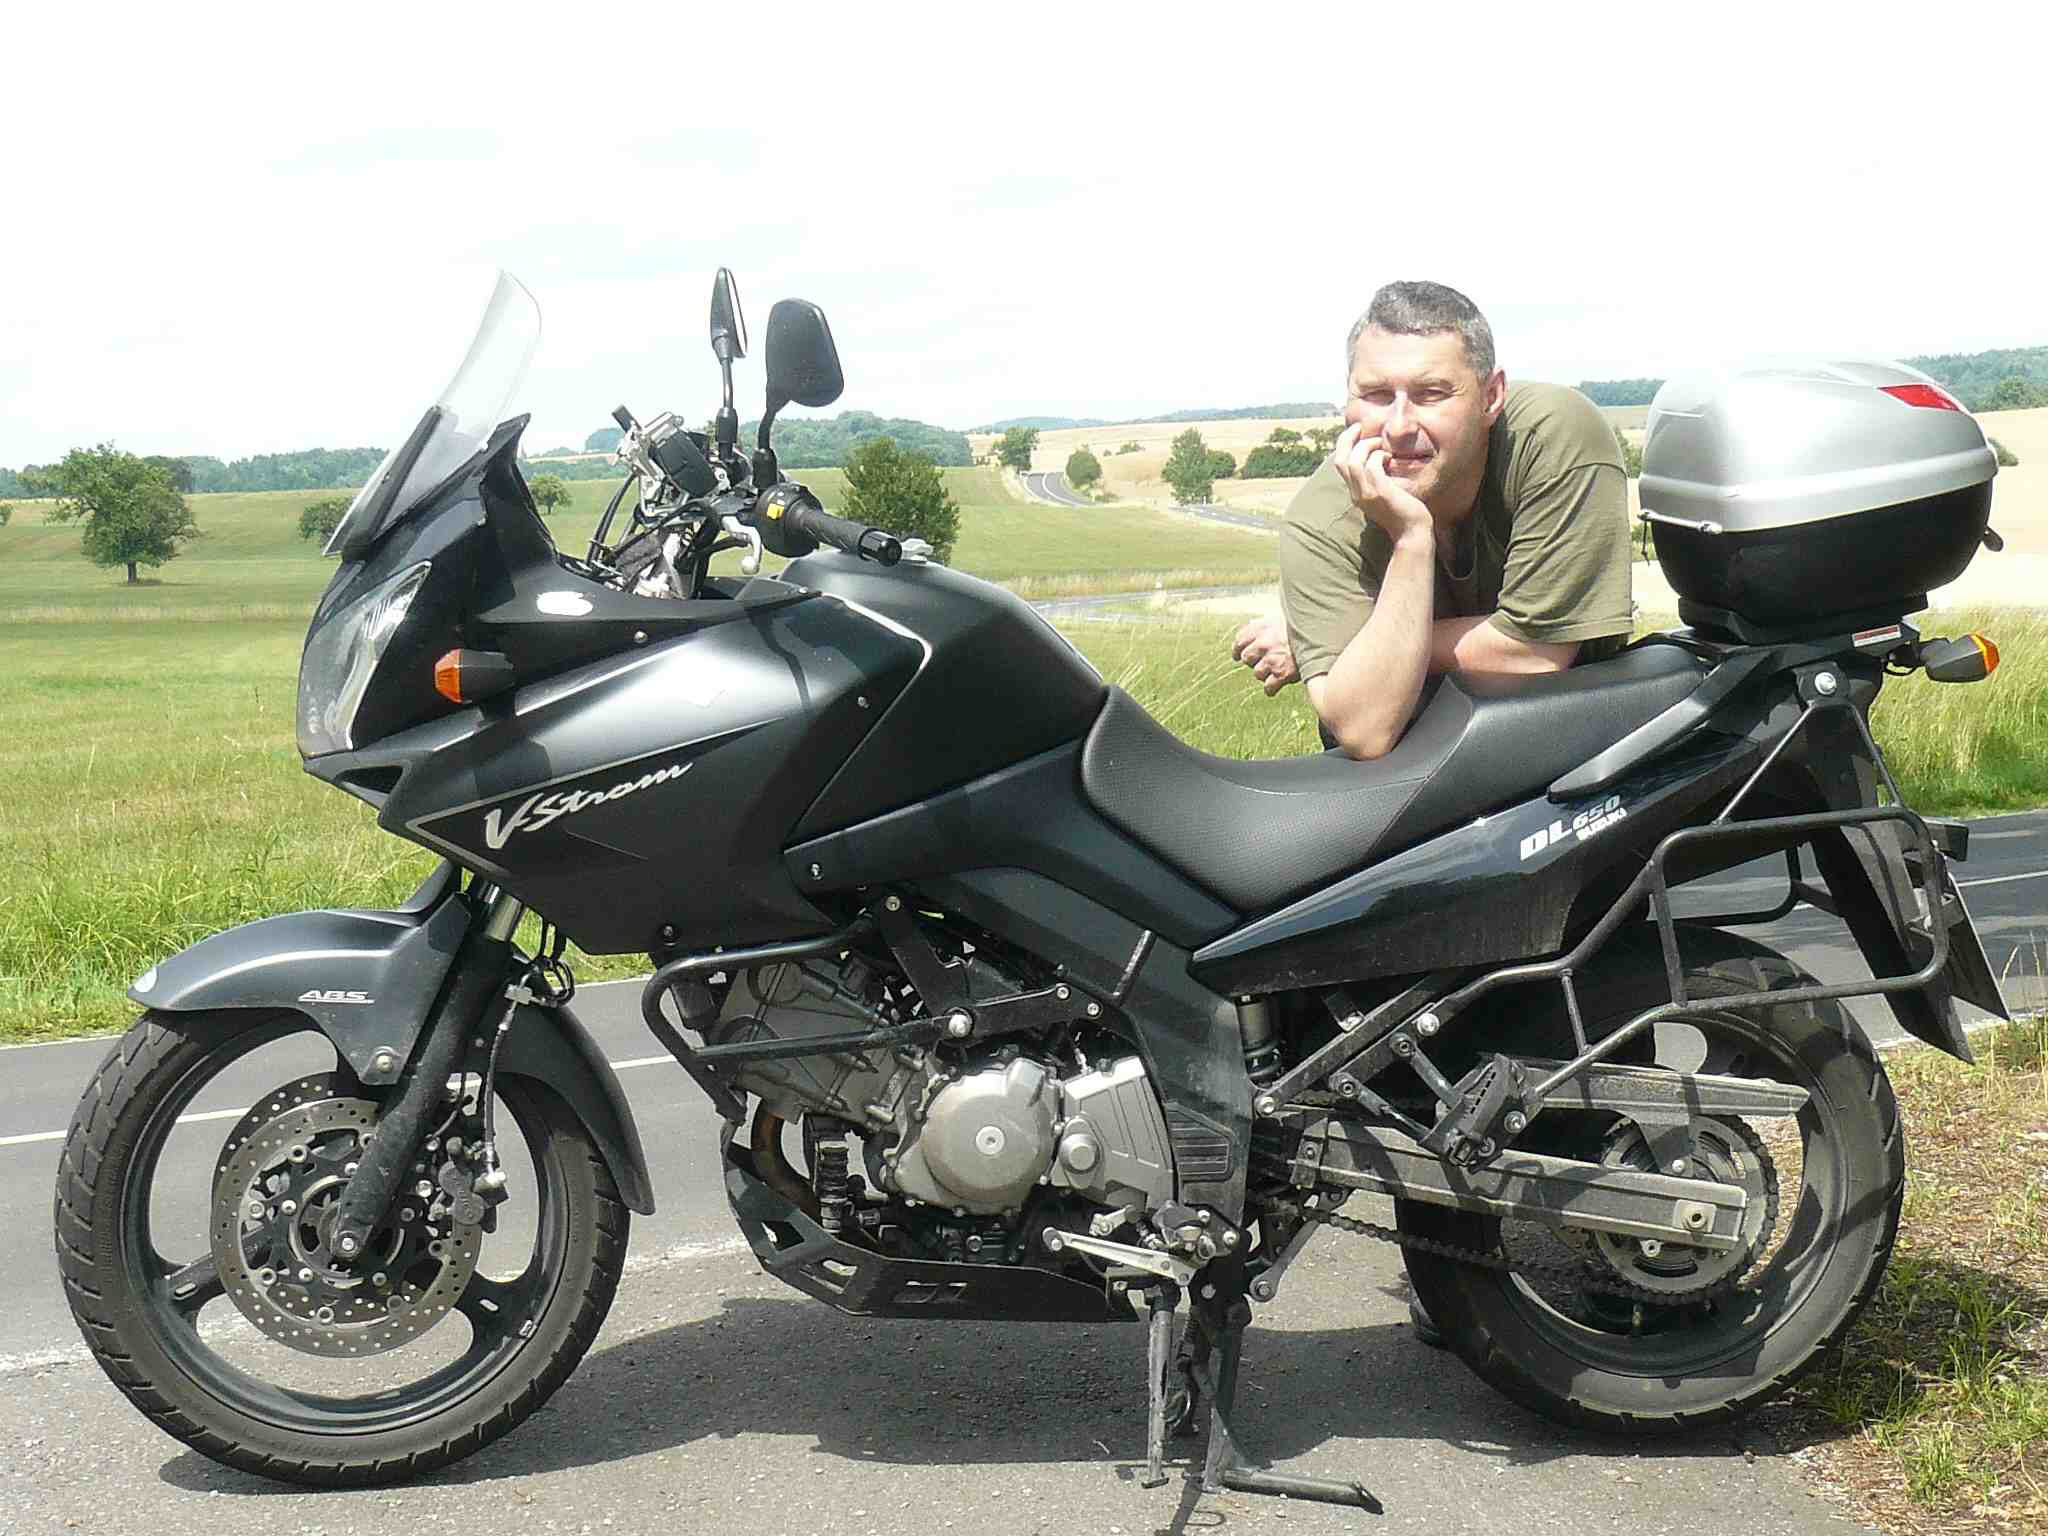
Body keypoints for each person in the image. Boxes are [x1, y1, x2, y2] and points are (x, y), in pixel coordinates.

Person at [1233, 281, 1633, 758]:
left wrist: (1344, 645)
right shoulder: (1318, 520)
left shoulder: (1552, 438)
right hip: (1416, 752)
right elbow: (1363, 728)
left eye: (1431, 394)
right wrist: (1411, 538)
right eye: (1377, 395)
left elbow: (1535, 653)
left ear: (1491, 396)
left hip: (1575, 735)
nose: (1399, 426)